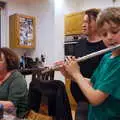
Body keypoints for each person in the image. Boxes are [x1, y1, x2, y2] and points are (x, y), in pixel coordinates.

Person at [58, 7, 120, 120]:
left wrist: (76, 73)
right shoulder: (107, 57)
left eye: (114, 31)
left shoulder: (118, 64)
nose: (110, 37)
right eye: (104, 34)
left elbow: (95, 99)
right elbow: (92, 83)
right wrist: (69, 75)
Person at [70, 8, 106, 119]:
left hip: (98, 100)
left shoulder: (106, 45)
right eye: (83, 22)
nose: (83, 25)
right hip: (80, 100)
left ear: (98, 22)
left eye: (87, 22)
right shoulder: (80, 44)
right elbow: (75, 69)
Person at [0, 47, 28, 118]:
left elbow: (11, 105)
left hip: (16, 116)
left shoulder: (17, 78)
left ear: (8, 62)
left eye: (0, 60)